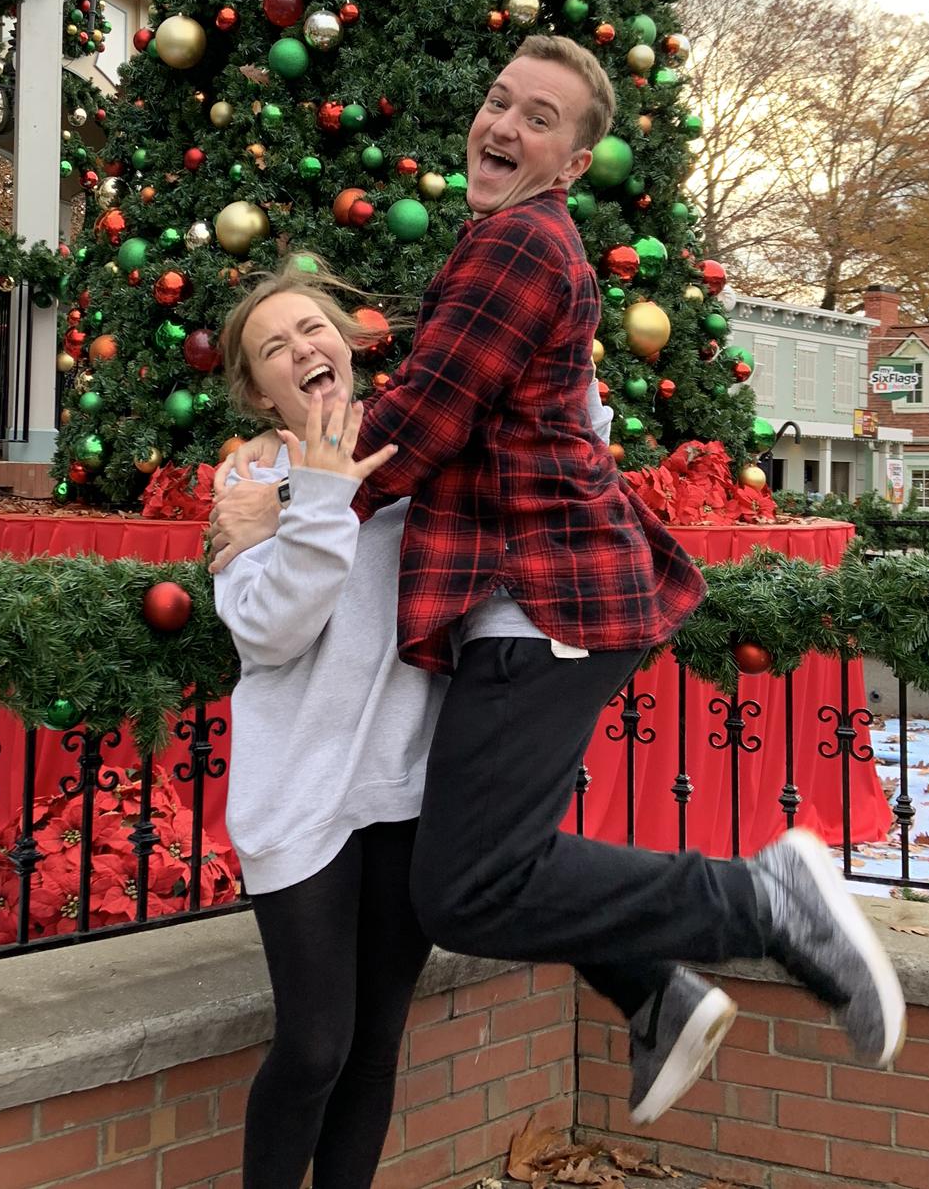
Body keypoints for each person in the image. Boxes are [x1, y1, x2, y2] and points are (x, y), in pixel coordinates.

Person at [211, 35, 906, 1124]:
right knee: (486, 860)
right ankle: (651, 989)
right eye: (500, 101)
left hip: (544, 599)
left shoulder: (519, 246)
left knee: (465, 886)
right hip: (534, 601)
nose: (505, 125)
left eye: (541, 119)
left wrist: (289, 501)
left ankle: (762, 900)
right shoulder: (515, 244)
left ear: (573, 163)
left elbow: (422, 426)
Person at [210, 264, 622, 1187]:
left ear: (347, 343)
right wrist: (306, 500)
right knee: (316, 1046)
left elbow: (568, 448)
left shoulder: (428, 446)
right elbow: (271, 633)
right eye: (273, 348)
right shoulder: (250, 479)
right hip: (301, 801)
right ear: (257, 387)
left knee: (375, 1043)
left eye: (311, 328)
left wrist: (558, 343)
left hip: (406, 789)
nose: (300, 350)